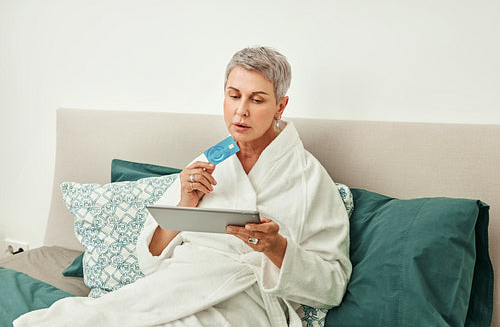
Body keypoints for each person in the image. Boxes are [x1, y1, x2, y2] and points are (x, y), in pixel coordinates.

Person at [15, 46, 351, 327]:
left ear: (280, 106)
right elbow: (152, 259)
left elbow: (331, 286)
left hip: (246, 301)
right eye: (233, 96)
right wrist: (184, 205)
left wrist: (275, 246)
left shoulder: (309, 178)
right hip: (176, 286)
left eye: (257, 100)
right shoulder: (207, 163)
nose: (241, 111)